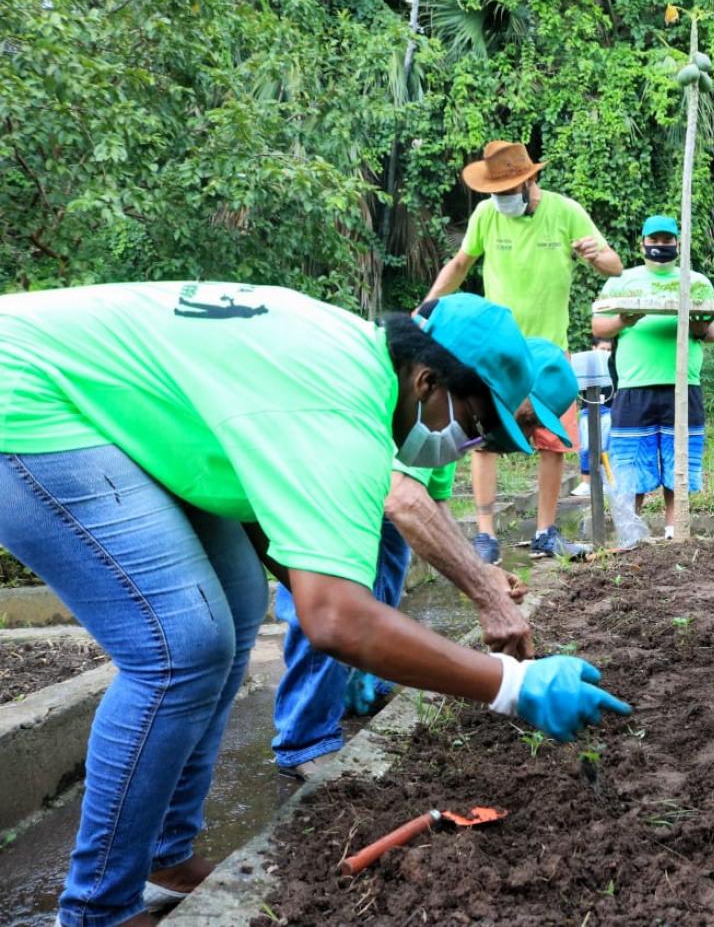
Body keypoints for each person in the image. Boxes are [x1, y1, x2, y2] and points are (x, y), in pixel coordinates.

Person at [0, 284, 630, 927]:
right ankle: (98, 908)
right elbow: (334, 620)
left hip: (115, 414)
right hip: (27, 394)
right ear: (426, 380)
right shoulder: (337, 409)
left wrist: (337, 602)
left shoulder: (345, 363)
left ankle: (162, 850)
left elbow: (277, 539)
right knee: (179, 647)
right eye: (473, 424)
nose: (469, 445)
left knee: (239, 604)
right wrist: (513, 686)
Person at [269, 335, 577, 780]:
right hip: (343, 480)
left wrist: (480, 571)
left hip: (383, 493)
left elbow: (435, 505)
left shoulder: (462, 423)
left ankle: (364, 682)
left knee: (383, 581)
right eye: (528, 419)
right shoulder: (442, 405)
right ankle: (305, 737)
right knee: (329, 599)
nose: (527, 437)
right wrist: (483, 595)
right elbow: (404, 500)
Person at [424, 140, 622, 562]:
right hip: (495, 354)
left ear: (531, 180)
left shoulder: (565, 211)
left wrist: (595, 254)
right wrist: (427, 308)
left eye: (509, 191)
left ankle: (547, 533)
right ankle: (485, 536)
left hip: (549, 353)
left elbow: (615, 265)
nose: (501, 200)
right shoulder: (485, 215)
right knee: (483, 440)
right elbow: (460, 264)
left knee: (553, 441)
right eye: (495, 193)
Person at [591, 215, 714, 540]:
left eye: (667, 241)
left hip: (683, 383)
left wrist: (700, 327)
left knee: (678, 459)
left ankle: (674, 530)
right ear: (643, 244)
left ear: (678, 244)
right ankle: (631, 532)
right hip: (636, 385)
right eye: (655, 240)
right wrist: (624, 319)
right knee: (631, 459)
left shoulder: (696, 281)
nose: (660, 246)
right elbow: (599, 326)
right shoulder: (622, 281)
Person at [571, 336, 616, 498]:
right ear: (593, 348)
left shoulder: (613, 367)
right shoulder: (586, 365)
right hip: (587, 410)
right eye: (603, 349)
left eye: (609, 350)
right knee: (586, 446)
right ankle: (586, 482)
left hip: (608, 410)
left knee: (605, 447)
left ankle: (606, 482)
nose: (606, 353)